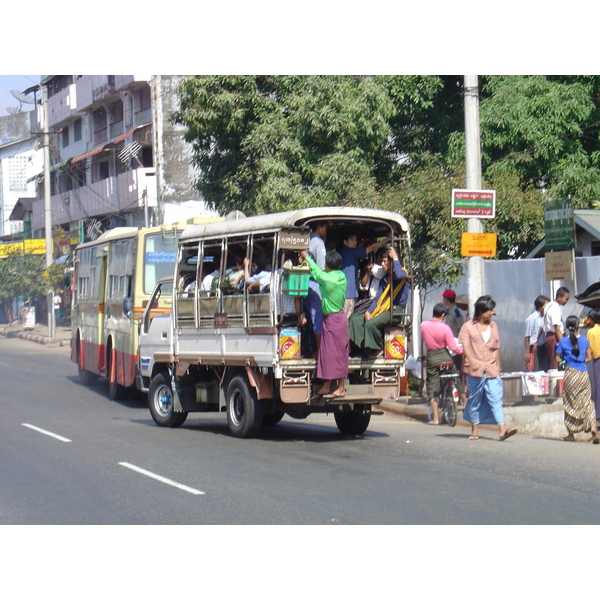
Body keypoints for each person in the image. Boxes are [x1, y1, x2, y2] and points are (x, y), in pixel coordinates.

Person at [458, 295, 517, 441]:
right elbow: (465, 347)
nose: (492, 313)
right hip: (475, 370)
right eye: (489, 310)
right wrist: (472, 361)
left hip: (491, 369)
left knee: (496, 398)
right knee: (475, 399)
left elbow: (495, 347)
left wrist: (498, 368)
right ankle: (475, 429)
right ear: (481, 311)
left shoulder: (493, 326)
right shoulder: (467, 327)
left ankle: (502, 429)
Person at [300, 249, 348, 398]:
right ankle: (327, 385)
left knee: (332, 354)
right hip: (339, 319)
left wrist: (304, 254)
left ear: (326, 264)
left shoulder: (326, 279)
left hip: (332, 320)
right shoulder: (341, 276)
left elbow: (315, 270)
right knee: (333, 353)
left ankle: (340, 388)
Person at [348, 246, 409, 357]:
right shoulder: (384, 279)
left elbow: (400, 275)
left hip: (394, 310)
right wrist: (368, 312)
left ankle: (379, 347)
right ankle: (362, 348)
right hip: (381, 308)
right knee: (354, 319)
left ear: (392, 263)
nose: (382, 264)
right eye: (382, 261)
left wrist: (395, 257)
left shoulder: (401, 274)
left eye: (385, 261)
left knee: (371, 324)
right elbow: (377, 299)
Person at [556, 315, 599, 443]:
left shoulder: (563, 341)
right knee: (587, 401)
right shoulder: (585, 341)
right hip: (583, 374)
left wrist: (565, 363)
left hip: (570, 374)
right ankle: (593, 427)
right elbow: (589, 358)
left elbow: (557, 358)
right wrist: (581, 361)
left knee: (570, 403)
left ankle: (571, 434)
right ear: (578, 326)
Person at [420, 303, 465, 425]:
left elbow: (424, 339)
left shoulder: (423, 325)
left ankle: (436, 418)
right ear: (443, 315)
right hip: (445, 356)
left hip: (432, 357)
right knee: (455, 377)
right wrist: (464, 351)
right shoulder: (445, 328)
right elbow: (453, 347)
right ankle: (465, 403)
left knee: (433, 385)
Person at [339, 232, 390, 317]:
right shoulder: (351, 253)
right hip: (348, 294)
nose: (355, 242)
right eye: (353, 240)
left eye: (356, 240)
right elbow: (372, 248)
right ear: (345, 242)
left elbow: (357, 249)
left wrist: (363, 242)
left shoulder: (343, 252)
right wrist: (387, 239)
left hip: (341, 293)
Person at [305, 221, 328, 353]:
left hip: (306, 283)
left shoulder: (307, 239)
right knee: (317, 317)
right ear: (319, 226)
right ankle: (320, 351)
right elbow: (321, 268)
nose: (326, 230)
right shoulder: (318, 242)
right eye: (325, 227)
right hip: (315, 283)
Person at [543, 286, 570, 370]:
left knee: (554, 360)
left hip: (550, 336)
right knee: (557, 361)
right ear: (559, 297)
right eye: (566, 299)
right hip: (554, 336)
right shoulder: (555, 307)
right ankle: (557, 382)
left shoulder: (548, 306)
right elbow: (557, 327)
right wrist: (563, 343)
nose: (567, 301)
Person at [524, 295, 550, 371]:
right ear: (540, 307)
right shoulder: (532, 318)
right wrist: (527, 352)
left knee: (544, 368)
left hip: (544, 347)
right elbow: (527, 337)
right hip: (536, 348)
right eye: (546, 305)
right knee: (537, 369)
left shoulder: (544, 317)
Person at [586, 308, 600, 423]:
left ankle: (598, 413)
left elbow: (589, 348)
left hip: (597, 361)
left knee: (598, 386)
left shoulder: (591, 332)